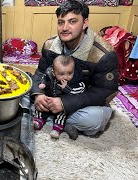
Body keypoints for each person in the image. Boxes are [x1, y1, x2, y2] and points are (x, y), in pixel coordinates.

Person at [31, 0, 118, 140]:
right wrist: (38, 95)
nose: (65, 27)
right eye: (61, 22)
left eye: (72, 21)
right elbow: (40, 73)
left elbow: (105, 92)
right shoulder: (49, 45)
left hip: (82, 101)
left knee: (95, 120)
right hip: (52, 94)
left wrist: (65, 104)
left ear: (85, 23)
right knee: (20, 93)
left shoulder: (104, 54)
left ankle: (49, 118)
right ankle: (60, 122)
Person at [33, 55, 85, 139]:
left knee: (62, 114)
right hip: (49, 97)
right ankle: (37, 121)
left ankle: (57, 128)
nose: (66, 77)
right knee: (40, 107)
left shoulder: (75, 79)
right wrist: (43, 84)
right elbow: (44, 77)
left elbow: (80, 90)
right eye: (61, 74)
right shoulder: (49, 72)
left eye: (69, 73)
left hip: (63, 102)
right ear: (53, 72)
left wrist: (67, 88)